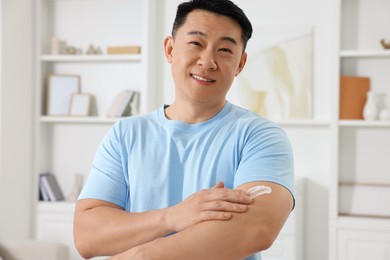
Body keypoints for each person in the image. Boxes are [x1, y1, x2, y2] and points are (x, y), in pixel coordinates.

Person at [74, 0, 295, 259]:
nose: (208, 61)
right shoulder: (125, 135)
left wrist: (140, 256)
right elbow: (88, 235)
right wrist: (172, 217)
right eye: (196, 43)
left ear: (240, 64)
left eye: (224, 49)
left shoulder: (260, 137)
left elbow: (255, 228)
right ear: (169, 48)